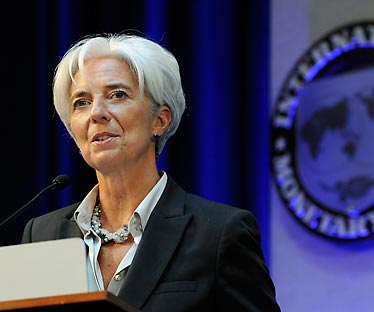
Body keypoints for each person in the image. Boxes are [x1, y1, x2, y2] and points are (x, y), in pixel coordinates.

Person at [20, 33, 281, 311]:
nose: (96, 112)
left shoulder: (219, 235)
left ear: (160, 120)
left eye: (117, 95)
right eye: (81, 102)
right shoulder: (43, 235)